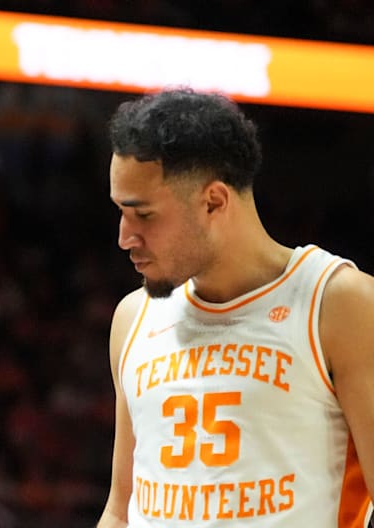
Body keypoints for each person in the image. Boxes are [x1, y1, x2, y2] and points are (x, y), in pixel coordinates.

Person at [98, 88, 374, 527]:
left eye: (143, 215)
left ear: (214, 202)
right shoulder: (132, 318)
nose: (124, 237)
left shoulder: (340, 304)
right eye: (121, 212)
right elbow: (120, 508)